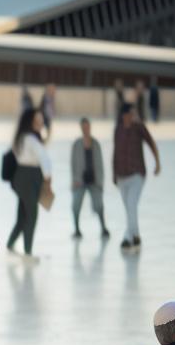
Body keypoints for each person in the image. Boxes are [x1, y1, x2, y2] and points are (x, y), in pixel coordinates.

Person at [111, 103, 161, 251]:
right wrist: (114, 173)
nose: (133, 116)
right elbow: (115, 152)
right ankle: (136, 235)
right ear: (124, 115)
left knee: (131, 205)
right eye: (131, 113)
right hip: (121, 176)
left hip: (137, 174)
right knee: (129, 208)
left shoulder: (139, 127)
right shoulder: (118, 129)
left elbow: (151, 143)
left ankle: (128, 238)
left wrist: (157, 163)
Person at [4, 108, 51, 261]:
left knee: (23, 214)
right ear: (30, 122)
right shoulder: (30, 139)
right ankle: (28, 251)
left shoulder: (23, 137)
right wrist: (48, 179)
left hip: (22, 177)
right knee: (31, 214)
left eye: (41, 120)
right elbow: (44, 159)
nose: (40, 123)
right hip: (29, 178)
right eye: (37, 120)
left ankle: (11, 243)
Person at [69, 118, 110, 239]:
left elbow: (100, 163)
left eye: (87, 127)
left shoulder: (96, 144)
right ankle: (76, 229)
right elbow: (73, 163)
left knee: (99, 205)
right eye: (83, 127)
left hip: (94, 181)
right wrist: (74, 180)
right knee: (75, 205)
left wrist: (101, 182)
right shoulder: (77, 144)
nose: (85, 129)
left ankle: (103, 228)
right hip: (80, 181)